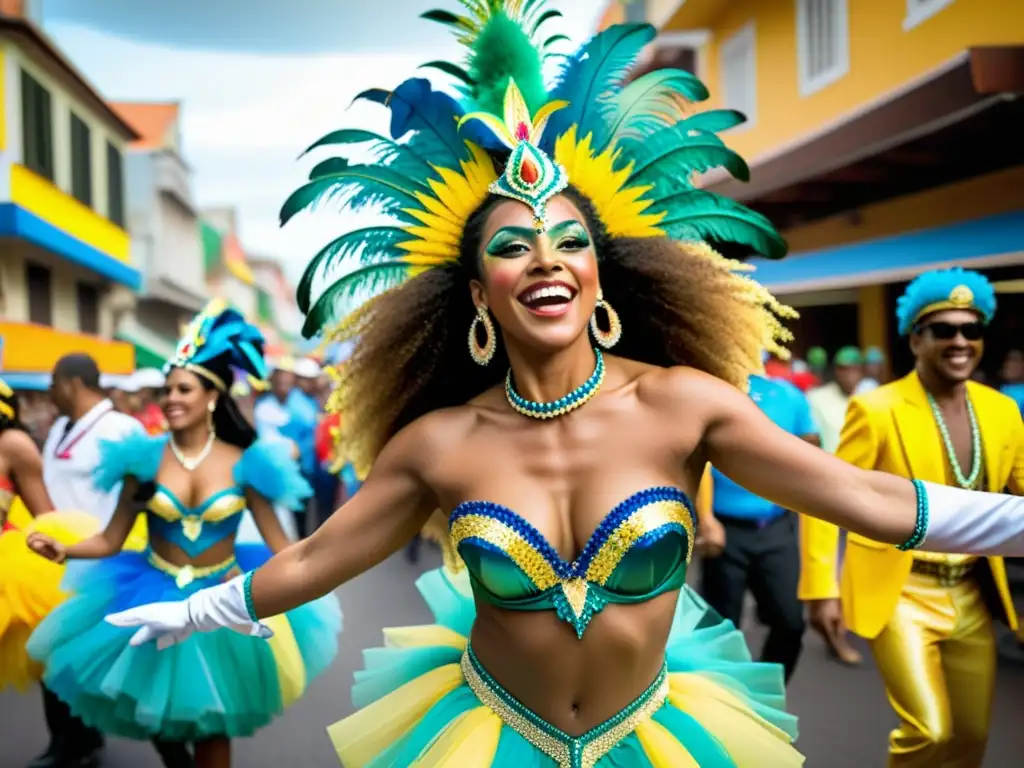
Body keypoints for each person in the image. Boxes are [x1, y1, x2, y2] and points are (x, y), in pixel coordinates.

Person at [100, 6, 1024, 766]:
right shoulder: (441, 443)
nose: (546, 259)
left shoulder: (680, 404)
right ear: (477, 293)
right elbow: (307, 559)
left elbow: (862, 493)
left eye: (570, 241)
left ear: (599, 276)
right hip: (489, 737)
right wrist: (196, 610)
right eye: (512, 246)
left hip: (659, 739)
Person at [27, 302, 342, 768]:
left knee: (214, 726)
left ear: (212, 396)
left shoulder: (248, 462)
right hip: (151, 594)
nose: (169, 398)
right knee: (161, 719)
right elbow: (112, 539)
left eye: (183, 389)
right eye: (166, 389)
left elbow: (284, 549)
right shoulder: (140, 458)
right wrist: (65, 548)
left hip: (223, 602)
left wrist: (332, 557)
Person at [800, 268, 1023, 767]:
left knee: (970, 737)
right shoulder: (876, 409)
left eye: (972, 329)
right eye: (944, 330)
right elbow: (826, 495)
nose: (960, 340)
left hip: (970, 592)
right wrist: (821, 586)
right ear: (915, 339)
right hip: (901, 590)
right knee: (929, 731)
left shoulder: (1003, 410)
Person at [30, 354, 149, 768]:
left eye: (52, 383)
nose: (48, 392)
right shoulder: (59, 427)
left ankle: (82, 741)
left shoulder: (122, 429)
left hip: (102, 561)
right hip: (56, 563)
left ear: (70, 383)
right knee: (50, 654)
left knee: (87, 659)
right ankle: (66, 741)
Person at [697, 373, 818, 683]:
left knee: (790, 623)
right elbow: (696, 459)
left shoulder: (789, 396)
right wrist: (706, 520)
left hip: (776, 527)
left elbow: (811, 451)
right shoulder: (708, 389)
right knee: (721, 629)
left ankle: (764, 694)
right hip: (724, 529)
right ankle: (721, 705)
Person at [0, 377, 100, 695]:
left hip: (8, 575)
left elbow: (46, 517)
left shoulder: (12, 444)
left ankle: (76, 730)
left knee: (54, 652)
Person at [804, 346, 865, 665]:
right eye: (842, 367)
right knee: (828, 574)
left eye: (854, 368)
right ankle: (835, 637)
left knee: (854, 569)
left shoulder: (873, 398)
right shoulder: (816, 398)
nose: (848, 374)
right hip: (826, 496)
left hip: (863, 495)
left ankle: (843, 629)